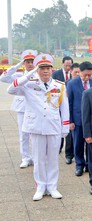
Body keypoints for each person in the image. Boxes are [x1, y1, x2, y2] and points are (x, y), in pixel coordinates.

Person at [8, 54, 69, 201]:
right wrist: (28, 75)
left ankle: (52, 186)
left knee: (53, 159)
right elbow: (10, 89)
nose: (45, 71)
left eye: (48, 68)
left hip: (53, 126)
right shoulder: (29, 84)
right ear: (37, 70)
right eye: (42, 68)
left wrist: (65, 127)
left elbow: (65, 107)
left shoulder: (59, 85)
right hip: (36, 127)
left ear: (52, 70)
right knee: (39, 158)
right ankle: (40, 187)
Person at [0, 49, 37, 168]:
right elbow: (3, 78)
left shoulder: (38, 75)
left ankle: (36, 157)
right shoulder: (18, 75)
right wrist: (17, 66)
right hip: (22, 107)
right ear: (24, 63)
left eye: (32, 61)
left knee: (35, 134)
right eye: (27, 61)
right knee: (23, 134)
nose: (30, 64)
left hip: (35, 108)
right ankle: (25, 157)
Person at [67, 61, 92, 175]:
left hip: (91, 120)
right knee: (78, 144)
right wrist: (70, 121)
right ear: (79, 72)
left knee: (91, 144)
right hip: (77, 120)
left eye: (90, 75)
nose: (87, 77)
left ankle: (90, 164)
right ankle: (79, 165)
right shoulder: (72, 83)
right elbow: (69, 103)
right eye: (85, 75)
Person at [52, 56, 74, 154]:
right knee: (58, 127)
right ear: (62, 64)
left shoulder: (74, 74)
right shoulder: (56, 74)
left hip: (69, 104)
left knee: (67, 129)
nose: (68, 67)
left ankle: (68, 152)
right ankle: (58, 147)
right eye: (66, 65)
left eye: (70, 65)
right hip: (58, 103)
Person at [63, 62, 81, 165]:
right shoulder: (67, 83)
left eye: (79, 72)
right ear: (71, 72)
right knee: (69, 137)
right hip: (69, 113)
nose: (78, 74)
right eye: (75, 72)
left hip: (79, 114)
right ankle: (69, 155)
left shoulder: (84, 83)